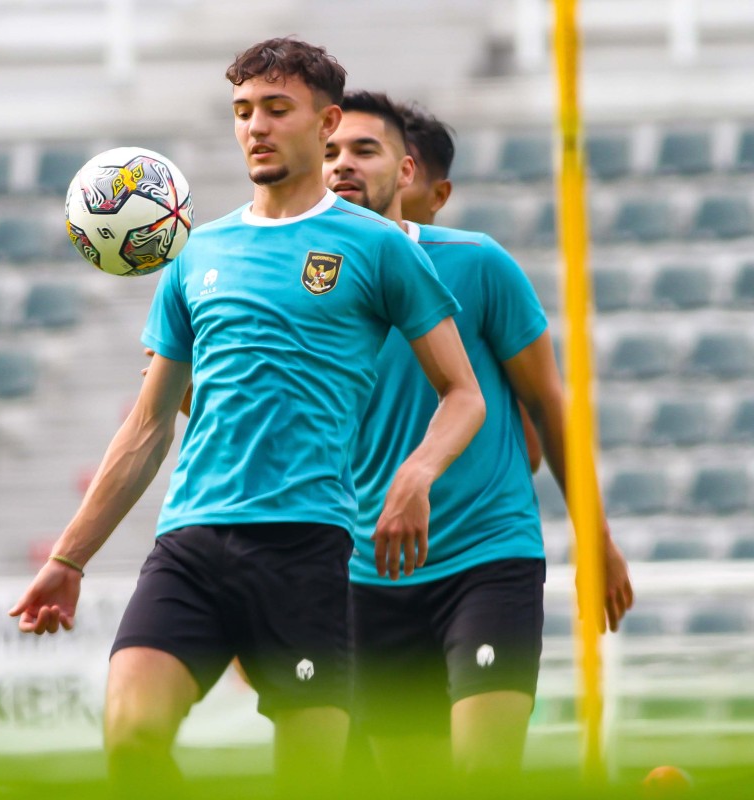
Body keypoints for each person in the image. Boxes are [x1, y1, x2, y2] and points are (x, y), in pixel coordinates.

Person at [9, 38, 486, 798]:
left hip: (305, 549)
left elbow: (464, 393)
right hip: (190, 540)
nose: (255, 127)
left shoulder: (379, 248)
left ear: (326, 122)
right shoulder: (198, 255)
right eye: (241, 111)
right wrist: (68, 560)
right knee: (130, 735)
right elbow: (146, 425)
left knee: (308, 779)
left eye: (275, 109)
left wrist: (414, 476)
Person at [322, 91, 635, 789]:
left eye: (362, 150)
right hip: (369, 576)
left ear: (407, 173)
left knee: (482, 776)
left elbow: (548, 406)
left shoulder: (479, 265)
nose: (341, 165)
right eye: (330, 153)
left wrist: (596, 539)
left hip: (487, 559)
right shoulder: (302, 289)